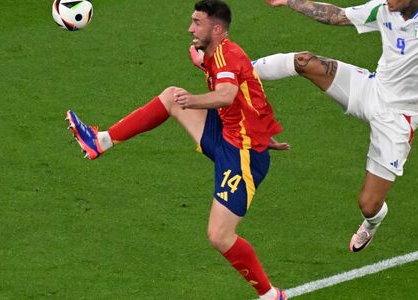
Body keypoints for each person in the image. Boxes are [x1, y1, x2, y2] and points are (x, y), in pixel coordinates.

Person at [66, 1, 287, 298]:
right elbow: (250, 94)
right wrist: (261, 130)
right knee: (171, 96)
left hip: (242, 155)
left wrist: (192, 101)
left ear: (217, 29)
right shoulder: (212, 52)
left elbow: (227, 94)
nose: (190, 28)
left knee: (219, 236)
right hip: (228, 136)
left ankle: (271, 295)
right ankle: (100, 141)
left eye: (197, 23)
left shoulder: (228, 54)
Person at [252, 0, 418, 252]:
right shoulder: (383, 8)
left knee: (368, 205)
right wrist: (289, 2)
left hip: (398, 119)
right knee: (305, 62)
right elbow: (337, 16)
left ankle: (372, 225)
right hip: (371, 89)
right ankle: (243, 70)